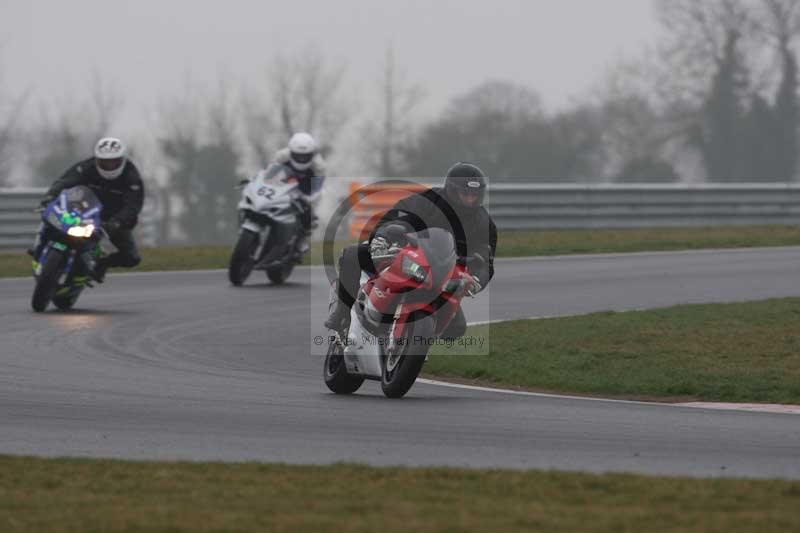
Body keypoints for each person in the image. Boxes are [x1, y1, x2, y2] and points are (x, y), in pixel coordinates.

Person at [325, 162, 497, 338]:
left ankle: (415, 346)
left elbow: (486, 260)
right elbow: (396, 215)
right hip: (405, 256)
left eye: (474, 195)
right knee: (352, 254)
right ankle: (342, 313)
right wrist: (382, 238)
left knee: (457, 328)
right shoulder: (428, 201)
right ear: (452, 190)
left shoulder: (484, 223)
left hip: (443, 274)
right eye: (465, 193)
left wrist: (476, 280)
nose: (470, 199)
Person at [33, 136, 144, 282]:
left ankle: (100, 264)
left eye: (113, 161)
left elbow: (133, 206)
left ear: (122, 160)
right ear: (97, 159)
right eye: (104, 162)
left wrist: (116, 223)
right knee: (51, 217)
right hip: (83, 208)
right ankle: (39, 246)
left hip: (113, 218)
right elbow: (65, 181)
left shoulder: (132, 177)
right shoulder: (87, 166)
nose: (109, 165)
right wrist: (49, 197)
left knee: (132, 258)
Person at [271, 132, 326, 253]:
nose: (301, 159)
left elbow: (317, 187)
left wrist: (309, 198)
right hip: (284, 182)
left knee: (309, 212)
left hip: (306, 187)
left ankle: (302, 239)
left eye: (305, 156)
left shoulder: (319, 165)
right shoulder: (281, 156)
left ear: (312, 154)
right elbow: (270, 173)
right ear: (291, 152)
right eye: (298, 156)